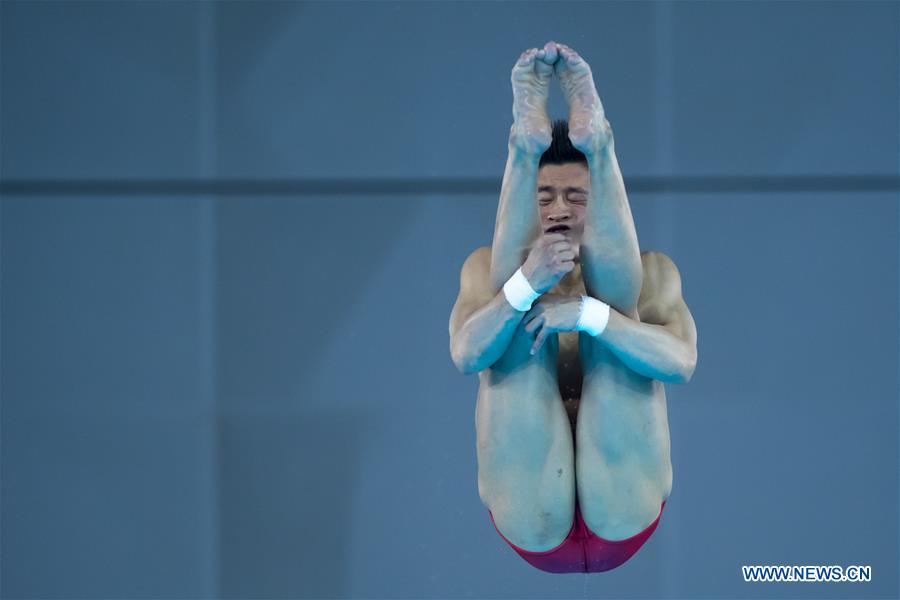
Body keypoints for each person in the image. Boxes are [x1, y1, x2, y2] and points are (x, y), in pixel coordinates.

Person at [448, 41, 698, 574]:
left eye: (577, 197)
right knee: (509, 340)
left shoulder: (653, 272)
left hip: (625, 498)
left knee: (616, 324)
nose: (559, 210)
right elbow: (467, 355)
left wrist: (589, 315)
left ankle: (599, 145)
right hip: (529, 506)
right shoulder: (483, 269)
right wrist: (523, 285)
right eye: (544, 197)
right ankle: (523, 145)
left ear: (601, 201)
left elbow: (680, 364)